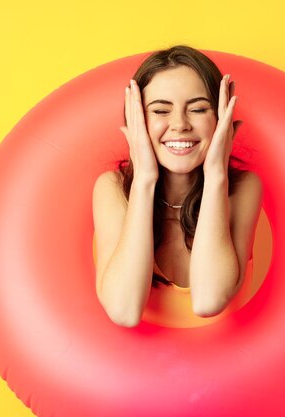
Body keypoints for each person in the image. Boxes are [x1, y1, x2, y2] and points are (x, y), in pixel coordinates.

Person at [92, 45, 263, 327]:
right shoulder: (111, 188)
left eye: (197, 109)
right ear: (137, 121)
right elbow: (123, 310)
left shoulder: (243, 188)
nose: (180, 124)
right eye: (160, 110)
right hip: (135, 367)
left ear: (220, 120)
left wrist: (216, 173)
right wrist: (145, 179)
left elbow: (209, 300)